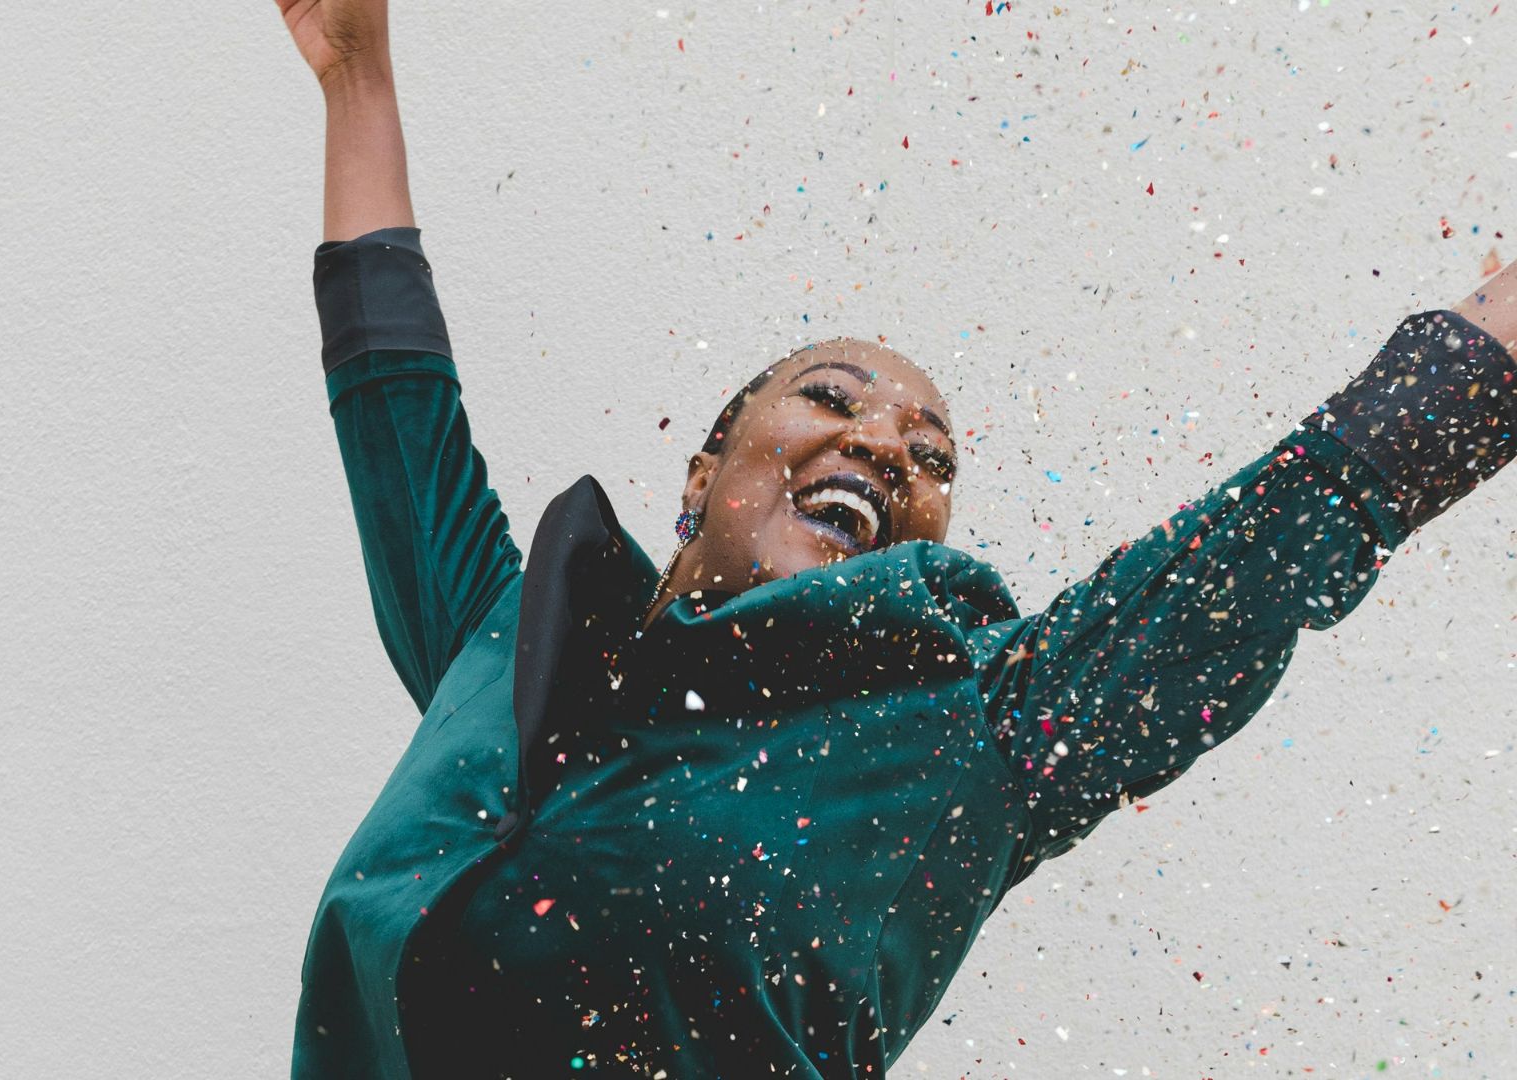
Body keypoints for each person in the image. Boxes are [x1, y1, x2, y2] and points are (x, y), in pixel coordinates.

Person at [276, 1, 1517, 1075]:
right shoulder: (506, 643)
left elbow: (1250, 558)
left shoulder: (962, 734)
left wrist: (1486, 348)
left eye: (931, 458)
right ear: (707, 472)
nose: (882, 444)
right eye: (830, 398)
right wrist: (356, 79)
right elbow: (397, 401)